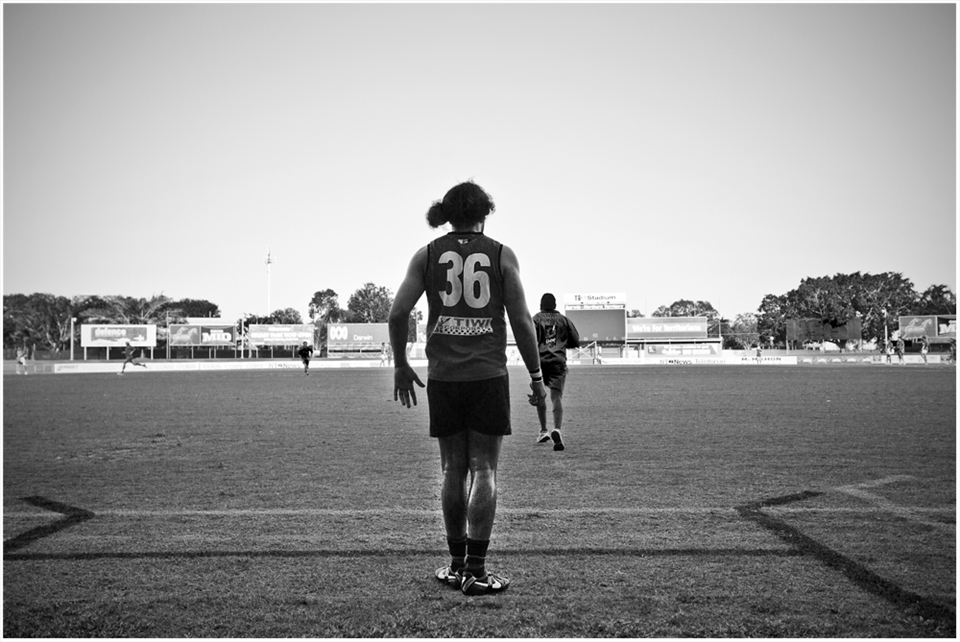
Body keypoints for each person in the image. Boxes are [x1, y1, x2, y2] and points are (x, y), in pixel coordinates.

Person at [389, 181, 546, 597]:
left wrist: (401, 364)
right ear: (485, 213)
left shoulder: (427, 255)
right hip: (488, 376)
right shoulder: (499, 253)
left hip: (444, 377)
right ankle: (477, 571)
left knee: (451, 470)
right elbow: (522, 321)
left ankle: (458, 566)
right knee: (485, 469)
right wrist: (536, 377)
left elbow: (398, 312)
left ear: (448, 213)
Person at [530, 293, 580, 450]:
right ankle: (557, 429)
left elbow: (529, 339)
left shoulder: (536, 319)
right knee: (556, 396)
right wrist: (561, 344)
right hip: (558, 361)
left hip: (540, 362)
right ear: (555, 305)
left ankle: (543, 430)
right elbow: (575, 340)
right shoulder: (564, 320)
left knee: (540, 394)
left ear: (541, 304)